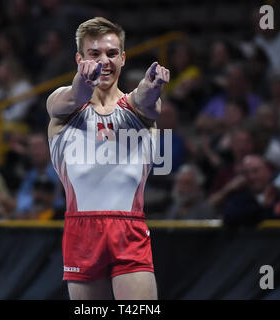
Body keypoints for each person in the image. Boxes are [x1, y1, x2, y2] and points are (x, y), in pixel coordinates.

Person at [46, 17, 169, 300]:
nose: (104, 61)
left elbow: (145, 100)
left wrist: (152, 86)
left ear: (123, 58)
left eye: (112, 54)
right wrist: (82, 82)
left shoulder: (139, 111)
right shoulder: (60, 107)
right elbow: (74, 96)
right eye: (94, 54)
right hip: (81, 233)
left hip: (129, 232)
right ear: (79, 59)